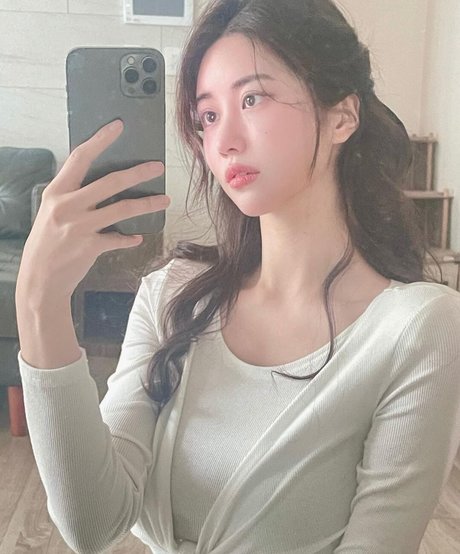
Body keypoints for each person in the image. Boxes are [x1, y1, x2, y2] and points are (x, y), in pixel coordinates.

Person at [15, 0, 460, 552]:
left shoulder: (417, 328)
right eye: (207, 116)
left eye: (252, 98)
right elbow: (93, 523)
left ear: (342, 116)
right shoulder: (172, 295)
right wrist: (39, 302)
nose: (223, 141)